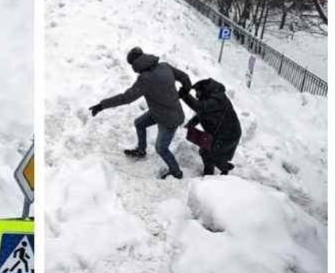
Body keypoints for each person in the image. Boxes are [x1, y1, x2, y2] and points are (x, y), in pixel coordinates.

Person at [89, 47, 192, 179]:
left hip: (169, 120)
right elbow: (184, 77)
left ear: (134, 65)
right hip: (161, 112)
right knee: (139, 123)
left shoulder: (145, 79)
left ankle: (176, 172)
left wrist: (102, 105)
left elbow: (125, 98)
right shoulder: (164, 66)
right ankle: (141, 150)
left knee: (161, 148)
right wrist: (184, 90)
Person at [180, 78, 242, 176]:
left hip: (229, 134)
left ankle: (222, 169)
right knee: (206, 151)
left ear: (204, 90)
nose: (196, 95)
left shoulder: (218, 100)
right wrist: (191, 124)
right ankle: (211, 172)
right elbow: (202, 112)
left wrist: (185, 96)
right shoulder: (209, 97)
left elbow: (200, 107)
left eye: (198, 92)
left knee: (212, 154)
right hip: (220, 132)